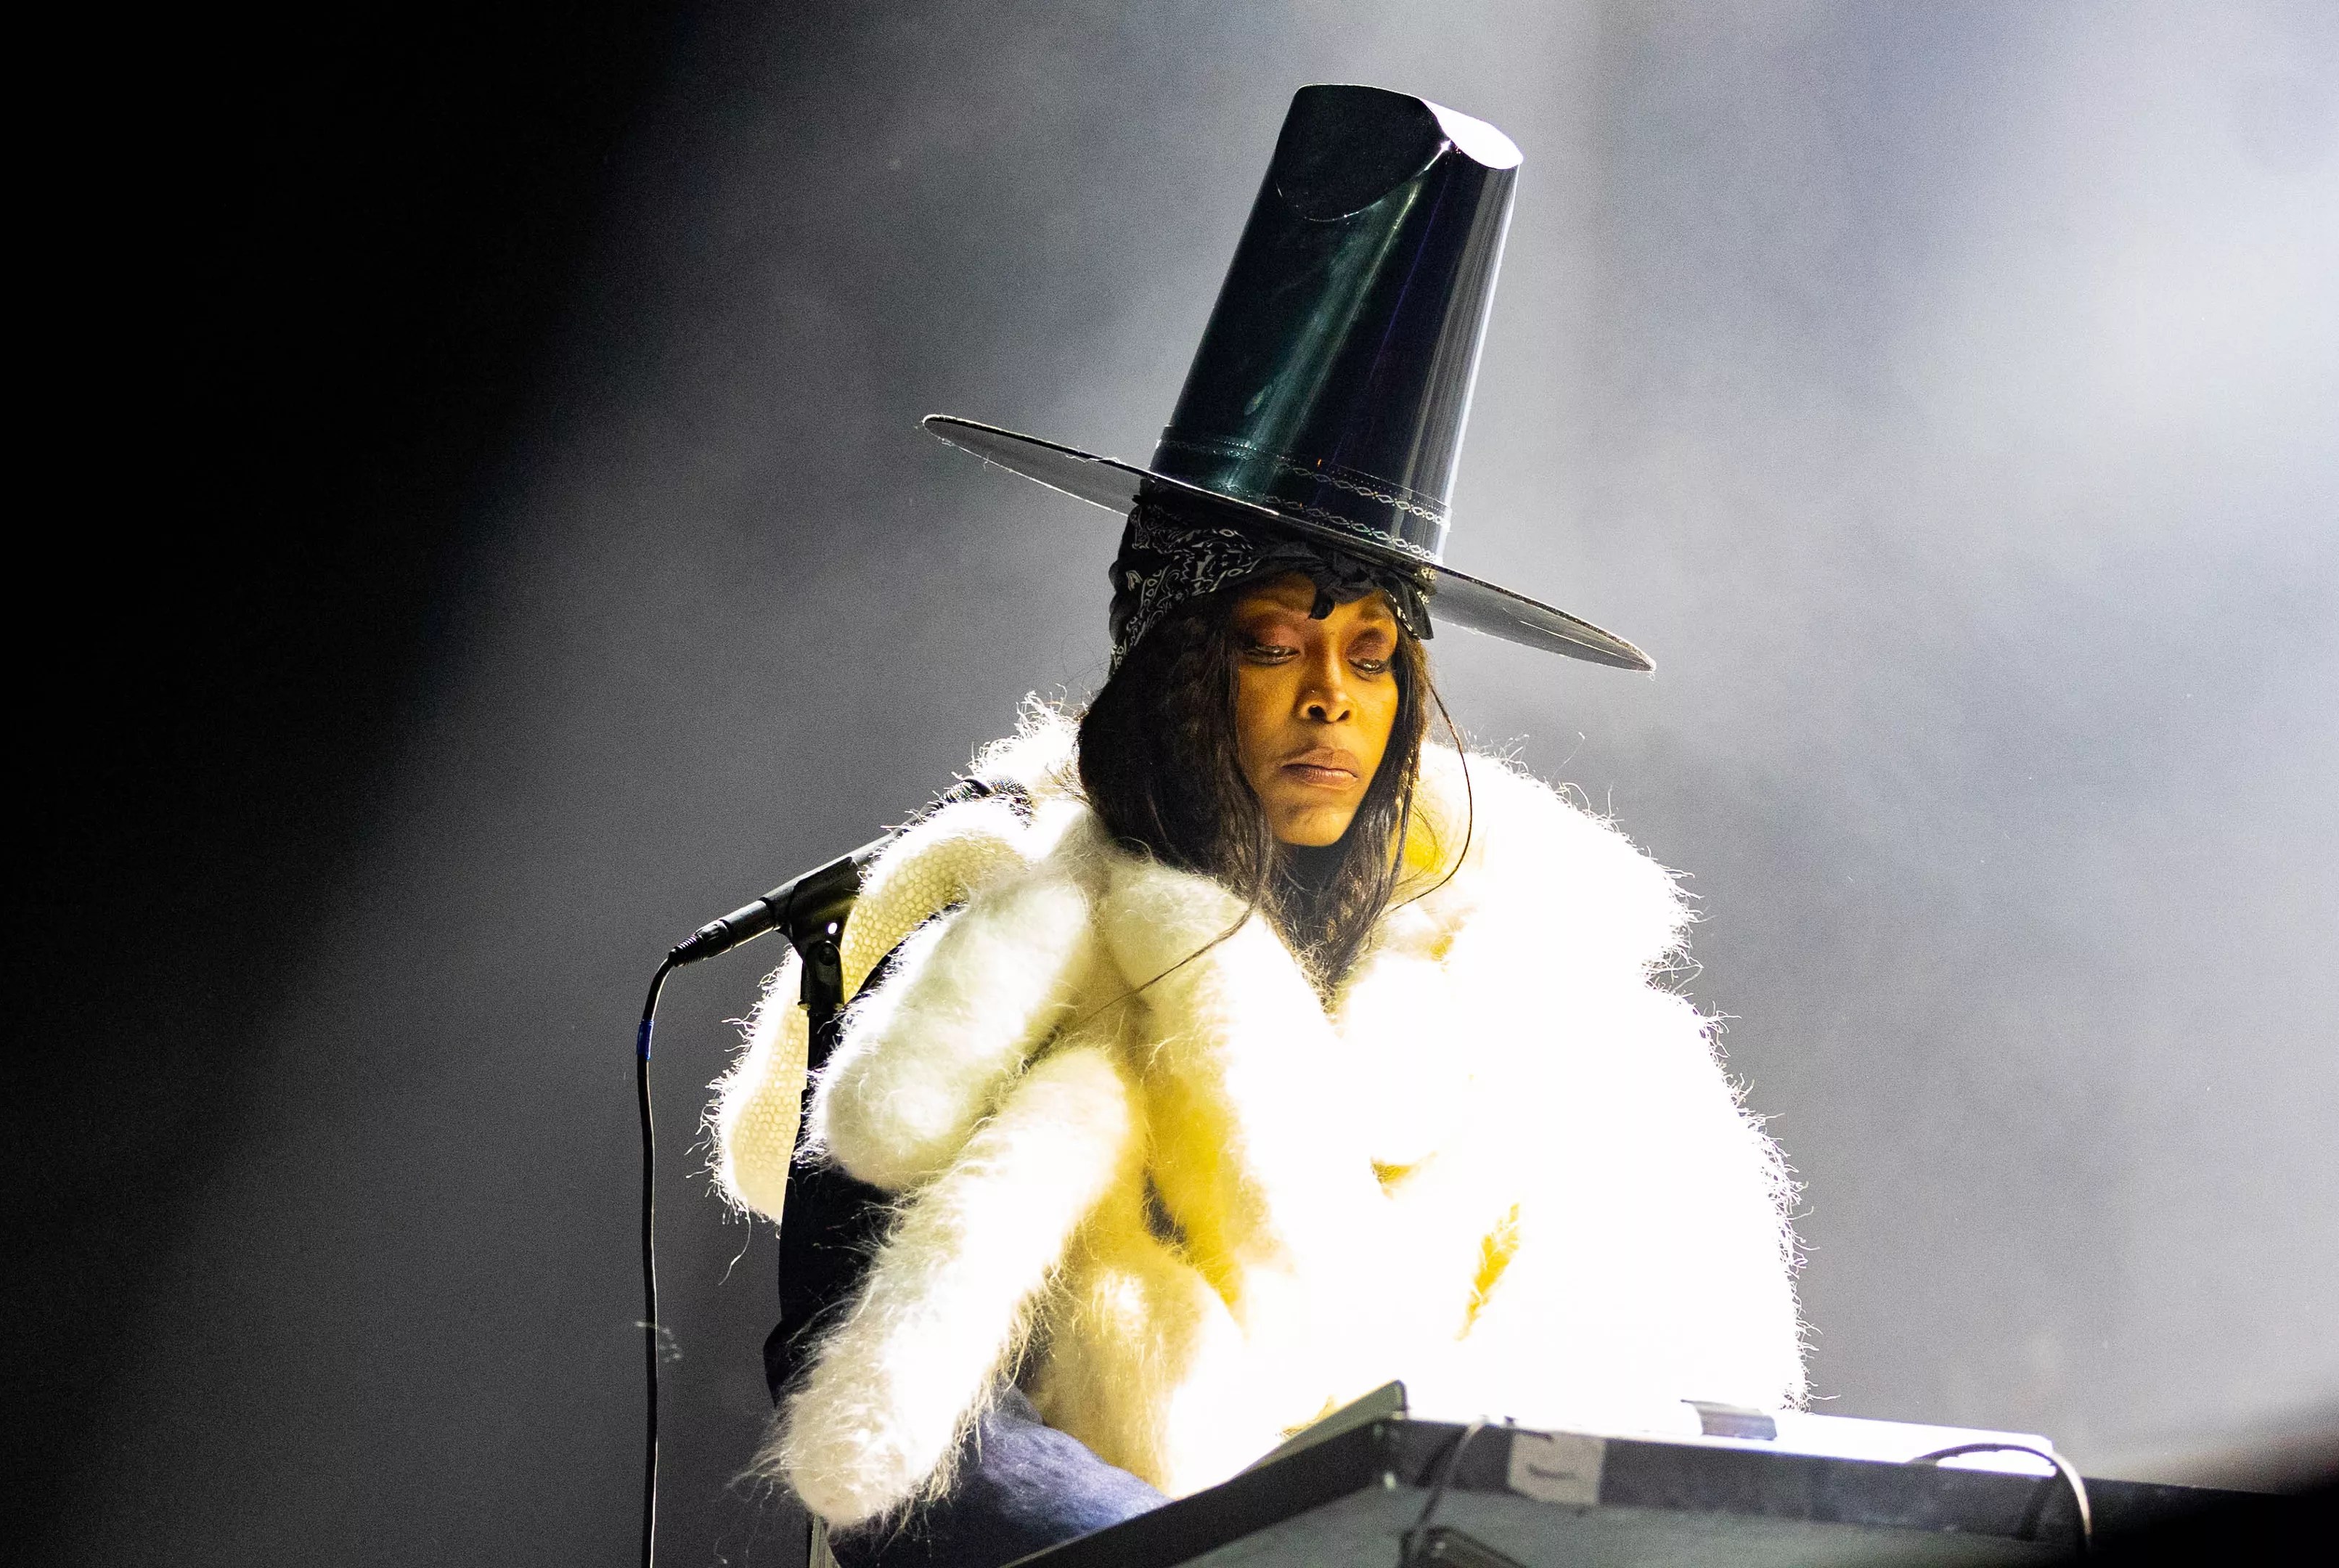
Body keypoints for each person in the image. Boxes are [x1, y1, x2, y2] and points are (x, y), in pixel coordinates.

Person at [709, 86, 1805, 1568]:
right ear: (1173, 667)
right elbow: (921, 1463)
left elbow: (1654, 1422)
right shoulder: (983, 961)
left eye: (1373, 654)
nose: (1331, 698)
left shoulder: (1542, 1013)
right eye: (1276, 644)